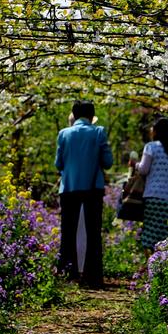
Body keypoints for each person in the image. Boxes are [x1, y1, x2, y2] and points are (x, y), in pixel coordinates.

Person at [55, 99, 113, 287]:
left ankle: (67, 273)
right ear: (91, 115)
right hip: (92, 188)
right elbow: (108, 162)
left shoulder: (63, 134)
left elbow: (58, 164)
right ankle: (93, 276)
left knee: (68, 232)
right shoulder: (98, 132)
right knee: (93, 233)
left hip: (69, 187)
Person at [134, 116, 168, 251]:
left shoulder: (151, 147)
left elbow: (143, 169)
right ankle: (164, 267)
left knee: (150, 235)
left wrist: (135, 165)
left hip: (154, 197)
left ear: (155, 131)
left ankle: (151, 268)